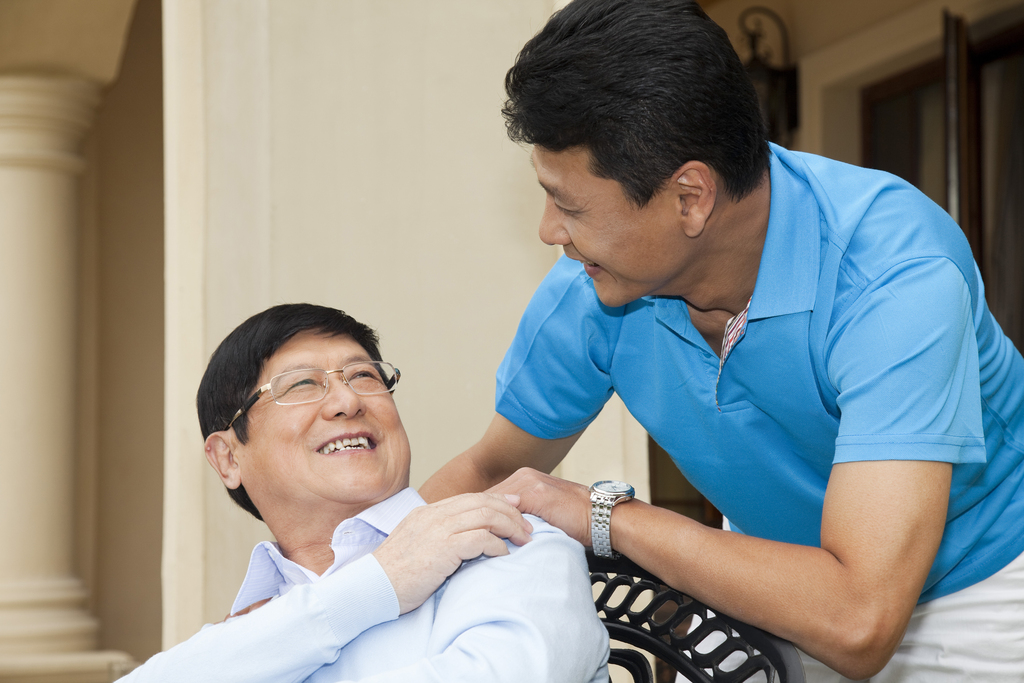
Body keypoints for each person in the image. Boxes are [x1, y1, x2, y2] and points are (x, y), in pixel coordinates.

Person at [419, 1, 1024, 681]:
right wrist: (330, 591)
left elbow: (859, 619)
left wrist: (605, 517)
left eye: (572, 205)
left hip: (974, 583)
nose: (549, 231)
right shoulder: (593, 290)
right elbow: (483, 473)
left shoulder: (893, 277)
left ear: (690, 197)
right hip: (776, 567)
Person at [122, 303, 609, 683]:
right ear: (228, 457)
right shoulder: (255, 620)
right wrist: (377, 586)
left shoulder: (505, 540)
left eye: (364, 375)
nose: (347, 400)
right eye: (301, 384)